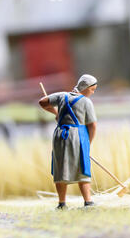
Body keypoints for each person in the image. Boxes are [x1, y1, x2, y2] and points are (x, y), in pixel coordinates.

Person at [38, 74, 98, 210]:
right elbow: (93, 125)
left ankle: (61, 203)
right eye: (92, 89)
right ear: (86, 87)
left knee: (61, 168)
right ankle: (88, 202)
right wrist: (89, 143)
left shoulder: (61, 95)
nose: (93, 92)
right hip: (78, 135)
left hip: (60, 135)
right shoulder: (86, 102)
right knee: (83, 167)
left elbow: (42, 102)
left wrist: (56, 113)